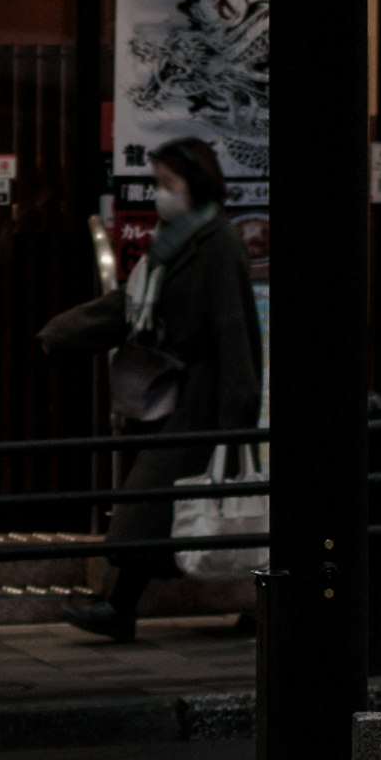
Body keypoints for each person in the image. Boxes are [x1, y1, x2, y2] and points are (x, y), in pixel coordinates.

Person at [42, 136, 264, 642]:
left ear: (196, 185)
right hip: (176, 398)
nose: (159, 194)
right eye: (157, 183)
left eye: (168, 183)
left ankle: (119, 608)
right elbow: (127, 307)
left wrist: (237, 417)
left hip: (206, 403)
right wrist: (62, 335)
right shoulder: (175, 242)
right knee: (193, 513)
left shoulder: (216, 243)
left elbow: (234, 332)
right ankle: (124, 608)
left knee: (167, 504)